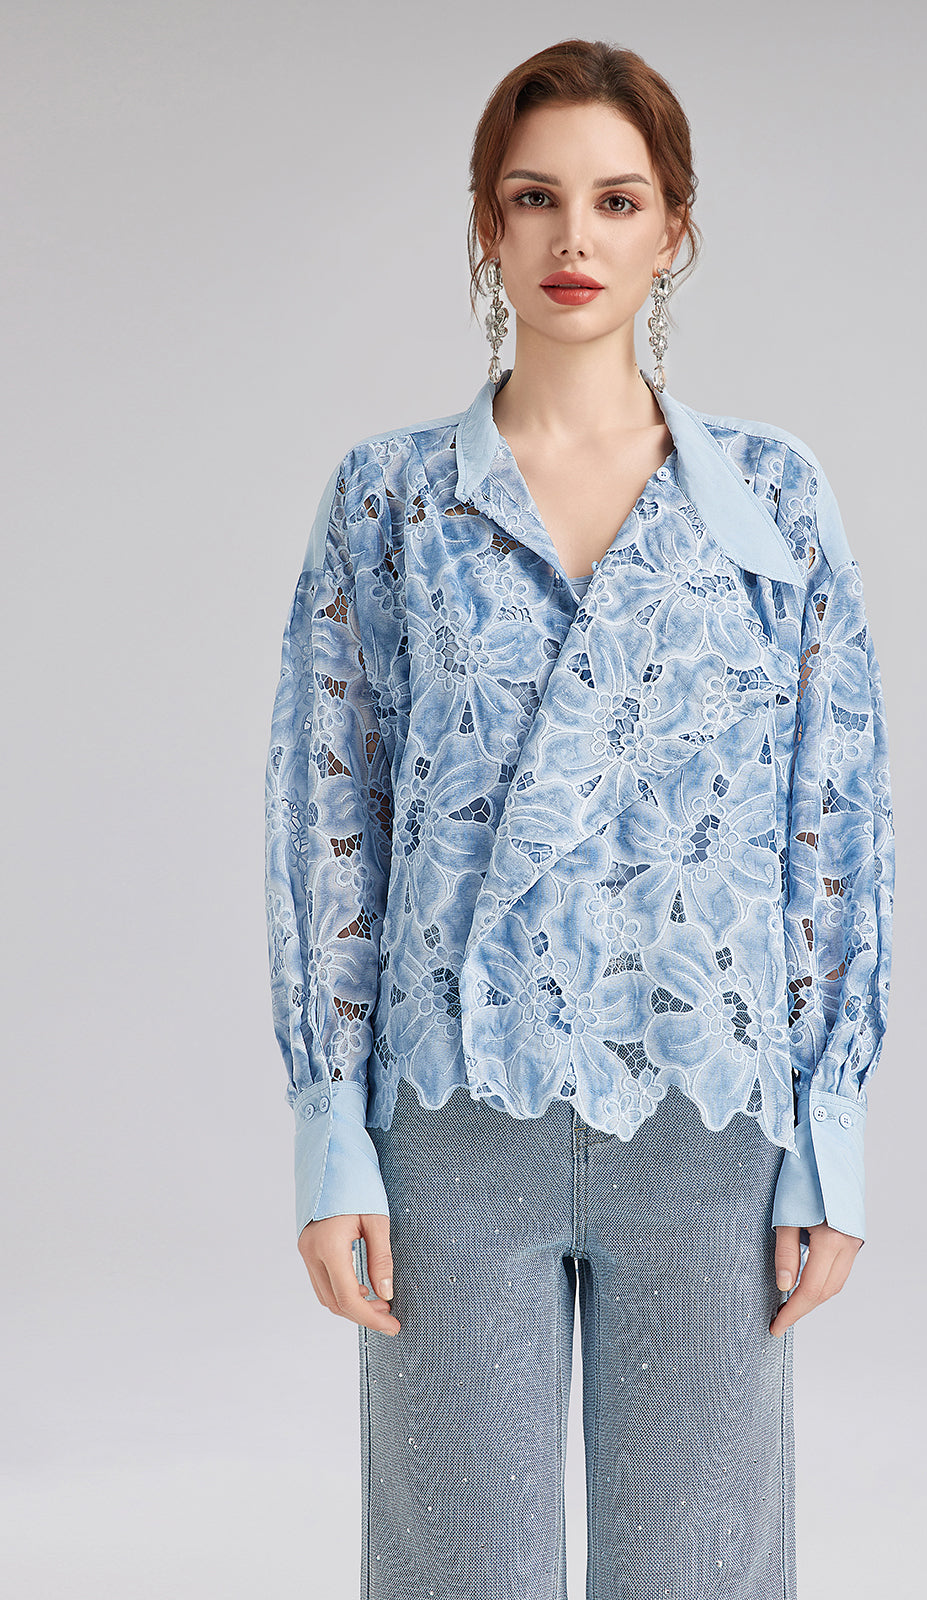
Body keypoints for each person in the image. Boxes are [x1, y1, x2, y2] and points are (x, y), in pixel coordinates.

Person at [264, 36, 894, 1599]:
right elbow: (330, 829)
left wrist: (830, 1137)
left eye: (616, 200)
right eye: (534, 197)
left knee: (703, 1573)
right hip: (453, 1129)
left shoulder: (771, 503)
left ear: (674, 227)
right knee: (454, 1572)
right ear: (488, 222)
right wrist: (332, 1136)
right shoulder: (391, 504)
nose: (574, 237)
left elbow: (832, 821)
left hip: (708, 1127)